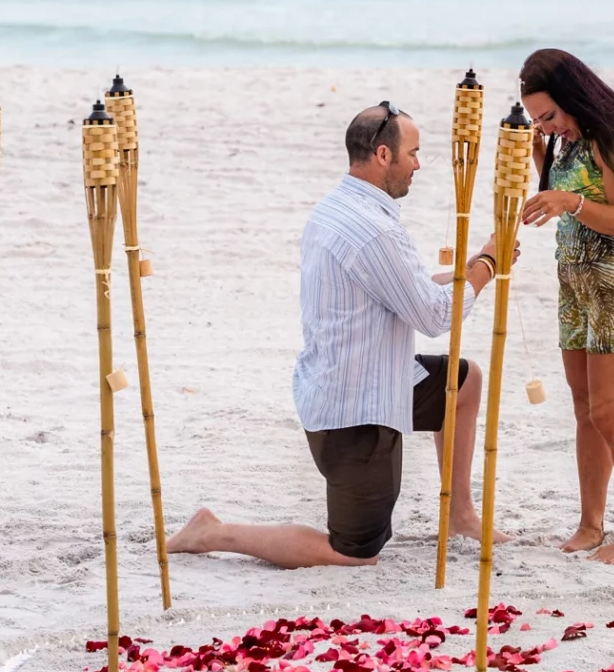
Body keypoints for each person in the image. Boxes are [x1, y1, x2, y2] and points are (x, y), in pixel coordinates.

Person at [167, 101, 509, 568]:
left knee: (463, 382)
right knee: (353, 553)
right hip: (354, 411)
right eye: (413, 152)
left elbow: (400, 290)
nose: (418, 163)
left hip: (359, 377)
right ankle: (214, 531)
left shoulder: (339, 206)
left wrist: (466, 272)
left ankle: (461, 514)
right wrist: (488, 265)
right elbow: (432, 318)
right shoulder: (372, 230)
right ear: (384, 154)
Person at [519, 49, 614, 565]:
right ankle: (591, 523)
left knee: (610, 413)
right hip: (578, 285)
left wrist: (569, 203)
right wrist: (542, 156)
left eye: (550, 115)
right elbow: (570, 186)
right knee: (584, 410)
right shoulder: (569, 138)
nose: (548, 126)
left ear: (575, 97)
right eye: (539, 118)